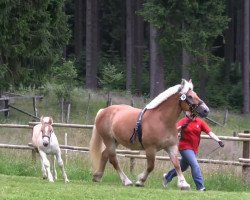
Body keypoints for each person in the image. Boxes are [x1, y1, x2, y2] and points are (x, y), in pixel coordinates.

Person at [162, 111, 225, 191]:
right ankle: (200, 187)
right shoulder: (183, 121)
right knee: (195, 165)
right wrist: (180, 128)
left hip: (194, 149)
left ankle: (167, 177)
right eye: (188, 111)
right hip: (184, 147)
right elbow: (173, 132)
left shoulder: (200, 122)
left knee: (183, 168)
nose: (190, 113)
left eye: (191, 112)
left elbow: (209, 132)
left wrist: (218, 140)